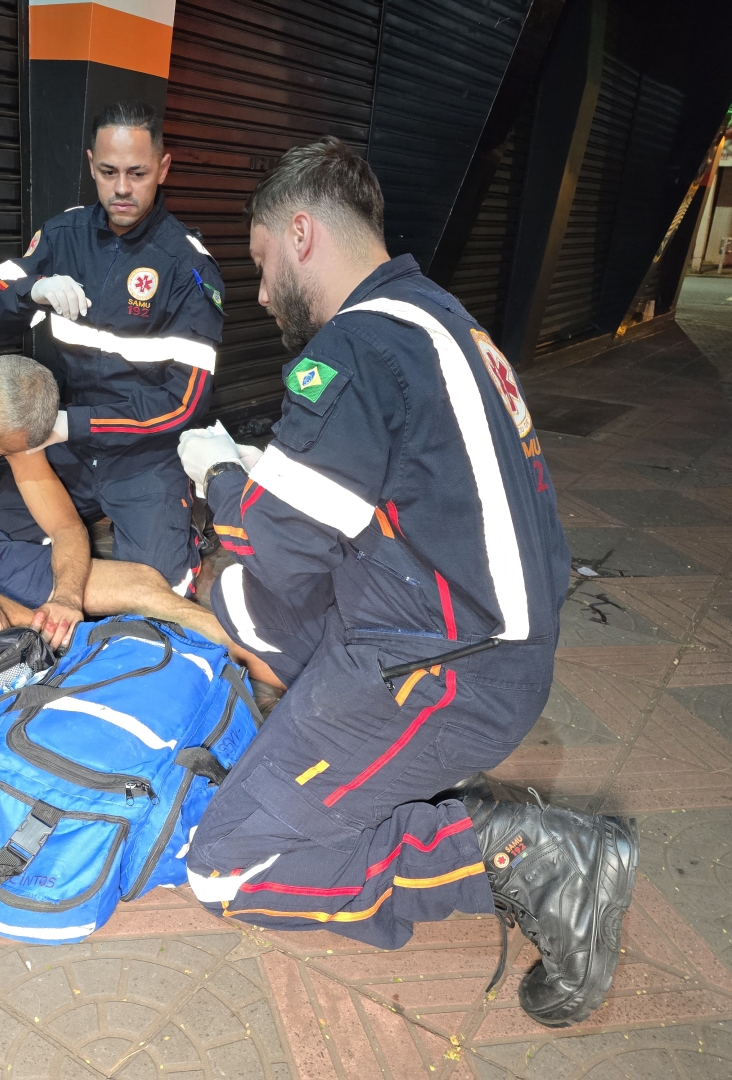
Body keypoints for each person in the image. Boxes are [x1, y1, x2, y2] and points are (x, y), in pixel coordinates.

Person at [175, 138, 638, 1028]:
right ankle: (395, 797)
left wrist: (217, 474)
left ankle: (517, 854)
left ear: (303, 232)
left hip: (435, 669)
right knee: (282, 651)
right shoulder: (441, 320)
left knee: (226, 864)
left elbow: (271, 545)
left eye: (264, 263)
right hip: (487, 645)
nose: (263, 293)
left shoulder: (356, 346)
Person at [0, 352, 265, 666]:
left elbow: (64, 524)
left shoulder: (5, 412)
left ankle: (269, 658)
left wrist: (67, 598)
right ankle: (34, 633)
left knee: (143, 581)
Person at [0, 100, 225, 596]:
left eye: (137, 172)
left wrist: (68, 424)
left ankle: (177, 526)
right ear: (90, 165)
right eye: (108, 172)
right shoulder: (62, 237)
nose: (122, 188)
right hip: (65, 451)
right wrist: (29, 291)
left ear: (163, 168)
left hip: (143, 454)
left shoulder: (188, 268)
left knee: (158, 590)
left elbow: (186, 402)